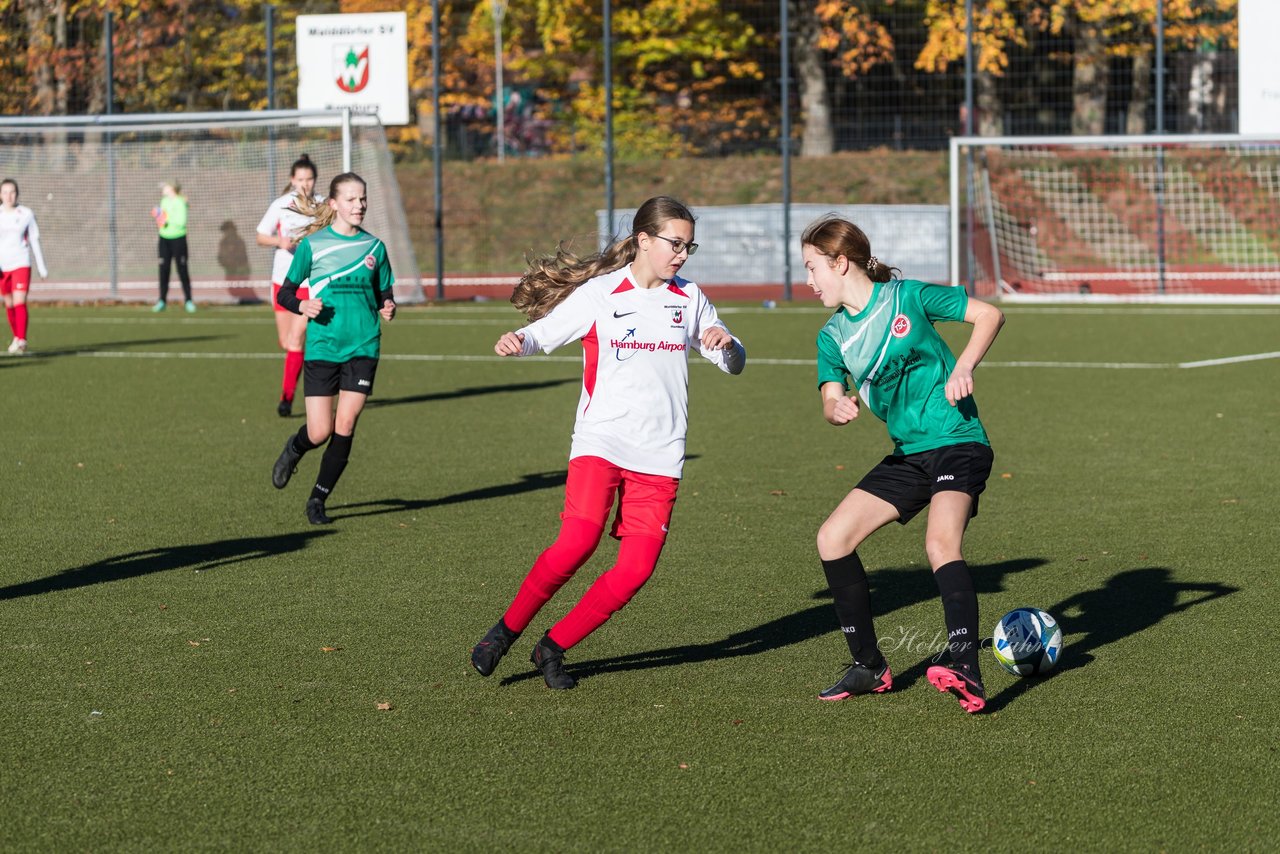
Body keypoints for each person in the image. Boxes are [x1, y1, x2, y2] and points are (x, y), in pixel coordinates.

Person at [468, 195, 746, 690]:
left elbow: (731, 361)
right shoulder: (602, 293)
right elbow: (544, 333)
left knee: (636, 569)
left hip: (661, 454)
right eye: (674, 243)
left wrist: (727, 341)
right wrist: (518, 338)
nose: (682, 254)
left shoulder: (692, 298)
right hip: (602, 440)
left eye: (689, 246)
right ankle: (503, 632)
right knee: (577, 542)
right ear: (643, 240)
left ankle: (551, 646)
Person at [801, 215, 1004, 714]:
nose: (807, 281)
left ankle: (965, 667)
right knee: (832, 538)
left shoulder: (907, 297)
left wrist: (964, 365)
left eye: (811, 268)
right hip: (908, 456)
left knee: (940, 542)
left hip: (958, 442)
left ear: (840, 262)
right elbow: (830, 395)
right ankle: (869, 665)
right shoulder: (832, 337)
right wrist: (835, 408)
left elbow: (988, 315)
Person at [270, 173, 396, 525]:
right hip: (323, 347)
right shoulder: (313, 246)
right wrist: (302, 306)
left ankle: (317, 500)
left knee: (346, 423)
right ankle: (295, 449)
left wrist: (388, 305)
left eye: (363, 199)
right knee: (319, 431)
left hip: (363, 345)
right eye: (352, 199)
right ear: (334, 204)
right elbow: (286, 293)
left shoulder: (375, 248)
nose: (360, 205)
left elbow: (384, 292)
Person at [256, 154, 321, 417]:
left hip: (310, 282)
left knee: (296, 339)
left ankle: (287, 398)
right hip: (283, 282)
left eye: (310, 179)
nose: (305, 184)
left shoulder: (322, 205)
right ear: (292, 180)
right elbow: (261, 236)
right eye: (301, 179)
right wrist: (280, 242)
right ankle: (308, 365)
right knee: (287, 342)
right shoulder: (281, 205)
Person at [0, 178, 48, 355]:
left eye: (12, 192)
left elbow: (34, 240)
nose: (8, 196)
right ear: (0, 195)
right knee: (9, 304)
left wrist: (42, 268)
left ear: (17, 194)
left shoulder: (26, 214)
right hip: (2, 266)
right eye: (5, 192)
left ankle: (21, 340)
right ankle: (16, 336)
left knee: (20, 301)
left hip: (21, 263)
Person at [152, 181, 194, 313]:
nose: (163, 189)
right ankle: (162, 300)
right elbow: (162, 222)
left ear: (172, 188)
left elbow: (181, 222)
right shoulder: (164, 201)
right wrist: (159, 217)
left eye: (165, 187)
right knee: (163, 270)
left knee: (182, 270)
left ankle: (188, 300)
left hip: (178, 239)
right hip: (164, 239)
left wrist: (165, 218)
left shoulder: (180, 202)